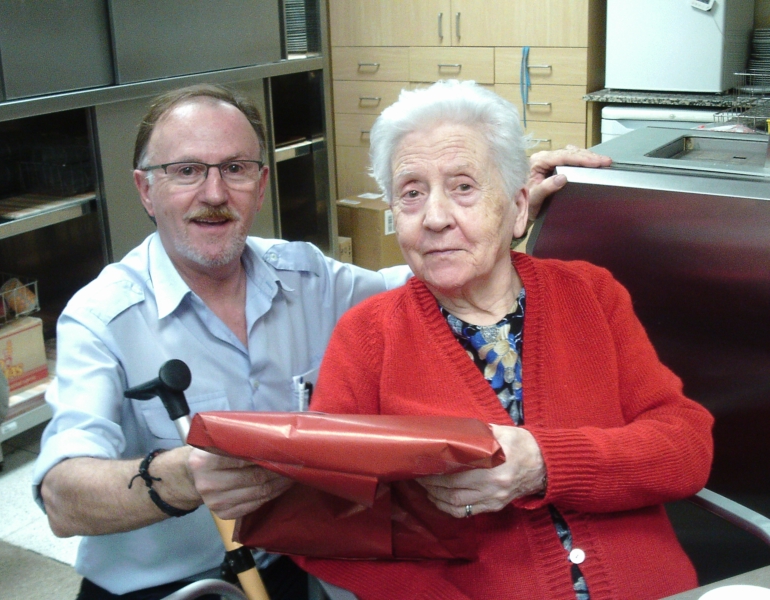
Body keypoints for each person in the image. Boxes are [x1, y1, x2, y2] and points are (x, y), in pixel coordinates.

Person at [31, 82, 611, 600]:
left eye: (235, 168)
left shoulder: (307, 277)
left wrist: (498, 198)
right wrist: (182, 476)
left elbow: (428, 271)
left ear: (261, 185)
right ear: (145, 189)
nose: (213, 192)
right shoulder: (101, 318)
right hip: (162, 585)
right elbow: (61, 496)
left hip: (290, 566)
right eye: (185, 171)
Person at [282, 80, 714, 600]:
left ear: (518, 207)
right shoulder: (367, 338)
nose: (435, 218)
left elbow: (687, 446)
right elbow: (322, 522)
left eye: (463, 187)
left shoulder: (590, 293)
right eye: (412, 193)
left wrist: (543, 463)